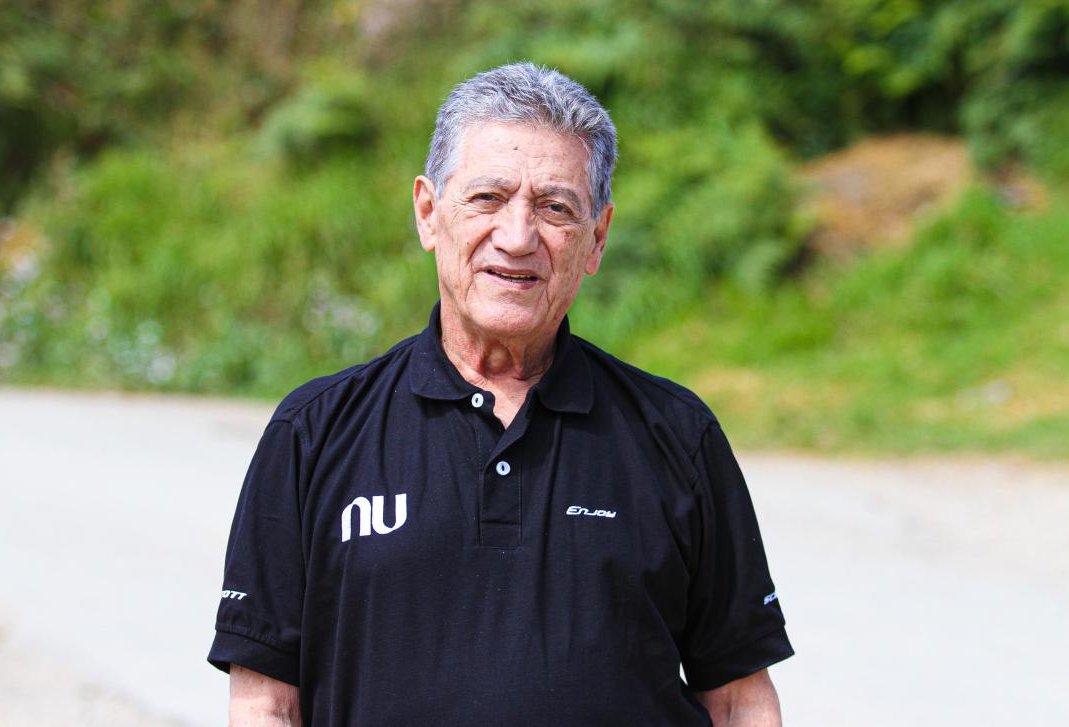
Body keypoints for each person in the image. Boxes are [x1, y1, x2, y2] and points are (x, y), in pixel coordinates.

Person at [208, 62, 793, 727]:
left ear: (596, 238)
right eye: (488, 198)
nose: (518, 237)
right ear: (429, 214)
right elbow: (265, 703)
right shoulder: (313, 433)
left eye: (555, 207)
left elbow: (740, 698)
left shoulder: (677, 435)